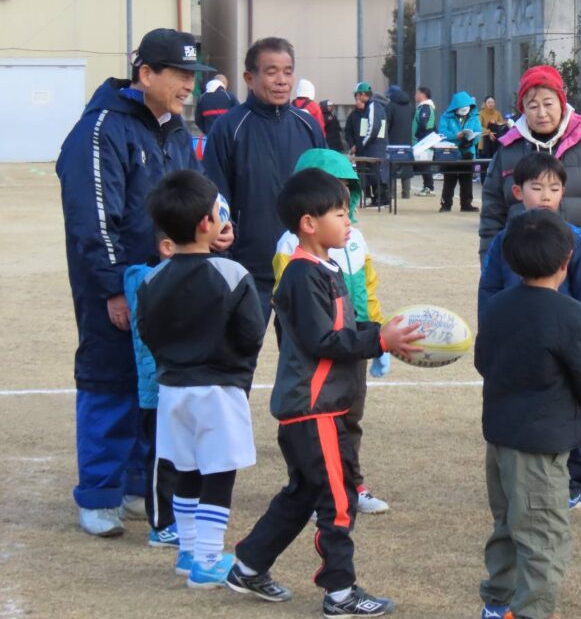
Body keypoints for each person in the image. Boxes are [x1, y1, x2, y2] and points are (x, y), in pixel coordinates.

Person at [225, 168, 423, 614]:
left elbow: (342, 327)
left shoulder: (325, 268)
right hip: (313, 411)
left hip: (322, 410)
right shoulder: (301, 274)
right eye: (339, 213)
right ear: (309, 224)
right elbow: (322, 341)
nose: (348, 220)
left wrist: (380, 335)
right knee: (337, 502)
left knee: (302, 495)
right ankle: (340, 593)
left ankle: (248, 566)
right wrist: (378, 341)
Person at [56, 27, 226, 537]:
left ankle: (136, 485)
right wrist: (113, 287)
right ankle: (99, 495)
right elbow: (92, 218)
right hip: (116, 284)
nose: (188, 86)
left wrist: (216, 222)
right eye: (179, 74)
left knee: (152, 385)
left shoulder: (175, 130)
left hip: (168, 282)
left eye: (192, 75)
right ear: (145, 74)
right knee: (108, 380)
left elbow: (196, 192)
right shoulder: (100, 130)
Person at [475, 208, 581, 619]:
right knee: (543, 536)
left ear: (509, 260)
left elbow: (482, 361)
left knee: (507, 525)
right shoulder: (571, 314)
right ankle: (530, 611)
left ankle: (497, 602)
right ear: (567, 260)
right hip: (540, 448)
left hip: (500, 439)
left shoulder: (496, 306)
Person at [480, 65, 581, 452]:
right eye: (532, 104)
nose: (541, 112)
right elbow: (492, 214)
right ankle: (529, 421)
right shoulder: (508, 150)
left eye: (548, 102)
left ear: (562, 102)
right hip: (524, 273)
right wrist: (490, 262)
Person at [136, 170, 266, 588]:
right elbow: (251, 333)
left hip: (173, 391)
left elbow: (146, 331)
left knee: (187, 468)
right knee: (219, 472)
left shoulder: (152, 278)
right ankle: (208, 558)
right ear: (208, 223)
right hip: (218, 390)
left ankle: (189, 550)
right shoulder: (231, 273)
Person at [270, 149, 393, 515]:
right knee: (314, 426)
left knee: (349, 417)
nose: (344, 213)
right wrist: (374, 339)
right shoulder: (292, 251)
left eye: (345, 198)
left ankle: (351, 484)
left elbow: (366, 287)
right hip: (321, 355)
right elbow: (300, 316)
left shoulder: (353, 239)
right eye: (335, 206)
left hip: (353, 345)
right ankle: (312, 489)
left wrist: (376, 332)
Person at [478, 153, 581, 509]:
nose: (546, 195)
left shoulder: (575, 239)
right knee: (515, 411)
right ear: (518, 192)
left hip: (562, 348)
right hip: (515, 347)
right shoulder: (505, 239)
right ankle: (513, 477)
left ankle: (573, 480)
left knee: (565, 413)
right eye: (537, 187)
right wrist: (492, 334)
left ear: (564, 192)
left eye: (554, 188)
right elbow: (488, 289)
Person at [202, 37, 325, 321]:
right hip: (248, 266)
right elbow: (214, 192)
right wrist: (225, 235)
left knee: (304, 348)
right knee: (241, 347)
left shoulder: (308, 126)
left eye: (288, 72)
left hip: (302, 266)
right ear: (249, 78)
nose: (282, 81)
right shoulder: (228, 127)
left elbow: (326, 191)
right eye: (271, 72)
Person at [123, 232, 180, 548]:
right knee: (162, 456)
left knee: (185, 454)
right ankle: (161, 523)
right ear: (166, 247)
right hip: (159, 388)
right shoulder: (146, 279)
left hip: (184, 385)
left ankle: (181, 515)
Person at [345, 81, 390, 208]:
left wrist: (361, 144)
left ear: (363, 94)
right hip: (374, 146)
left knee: (377, 174)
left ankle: (381, 199)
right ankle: (377, 199)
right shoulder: (372, 106)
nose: (357, 98)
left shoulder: (373, 105)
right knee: (374, 174)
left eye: (358, 95)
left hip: (375, 147)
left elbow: (373, 128)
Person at [438, 91, 482, 213]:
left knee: (466, 178)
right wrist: (455, 136)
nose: (465, 111)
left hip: (468, 152)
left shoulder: (474, 117)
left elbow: (478, 133)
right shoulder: (446, 117)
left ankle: (466, 204)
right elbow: (442, 132)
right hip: (451, 152)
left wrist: (471, 140)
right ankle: (446, 204)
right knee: (449, 179)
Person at [386, 85, 416, 199]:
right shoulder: (410, 106)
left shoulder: (391, 106)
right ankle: (406, 194)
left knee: (392, 168)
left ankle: (392, 194)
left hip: (393, 142)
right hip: (407, 142)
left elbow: (387, 123)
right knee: (406, 168)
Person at [477, 95, 507, 186]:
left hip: (495, 141)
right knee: (484, 163)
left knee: (495, 162)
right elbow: (478, 127)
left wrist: (497, 123)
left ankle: (494, 182)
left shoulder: (497, 113)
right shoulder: (481, 114)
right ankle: (483, 182)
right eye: (489, 102)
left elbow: (502, 125)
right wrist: (488, 132)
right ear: (485, 103)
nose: (491, 104)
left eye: (492, 102)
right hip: (484, 141)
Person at [413, 86, 437, 196]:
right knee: (423, 164)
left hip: (424, 141)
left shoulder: (425, 108)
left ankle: (429, 188)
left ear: (423, 95)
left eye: (417, 93)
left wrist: (417, 135)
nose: (415, 96)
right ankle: (427, 186)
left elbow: (424, 124)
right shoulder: (423, 107)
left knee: (425, 164)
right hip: (424, 140)